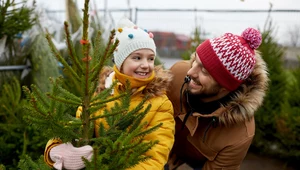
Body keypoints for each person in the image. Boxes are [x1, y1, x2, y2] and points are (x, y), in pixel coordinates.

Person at [43, 17, 175, 170]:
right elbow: (77, 126)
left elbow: (155, 156)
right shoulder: (102, 93)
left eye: (150, 58)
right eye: (137, 58)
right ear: (120, 61)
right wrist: (54, 149)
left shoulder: (160, 103)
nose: (145, 65)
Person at [166, 28, 269, 170]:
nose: (190, 72)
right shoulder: (177, 74)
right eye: (196, 61)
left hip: (201, 162)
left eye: (204, 71)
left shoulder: (239, 134)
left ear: (225, 87)